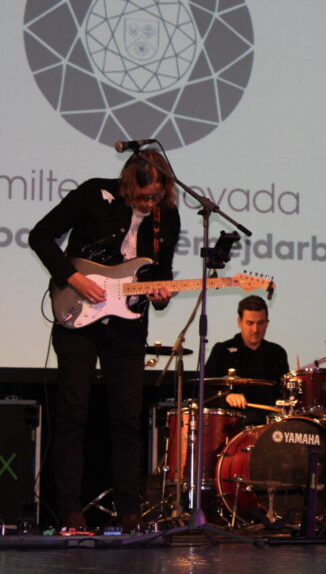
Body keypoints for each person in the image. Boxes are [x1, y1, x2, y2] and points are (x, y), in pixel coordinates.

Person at [29, 150, 181, 532]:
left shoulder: (168, 217)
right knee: (73, 414)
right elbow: (40, 236)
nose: (150, 203)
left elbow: (159, 273)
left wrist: (161, 295)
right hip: (78, 316)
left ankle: (129, 512)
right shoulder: (94, 193)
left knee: (128, 419)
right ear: (130, 184)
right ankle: (70, 510)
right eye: (145, 196)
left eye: (157, 197)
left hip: (127, 327)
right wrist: (73, 277)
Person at [205, 295, 290, 424]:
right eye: (250, 323)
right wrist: (226, 397)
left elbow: (284, 395)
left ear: (267, 323)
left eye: (260, 323)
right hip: (231, 425)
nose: (255, 329)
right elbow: (204, 390)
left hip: (269, 425)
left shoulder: (277, 353)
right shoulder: (222, 350)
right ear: (239, 322)